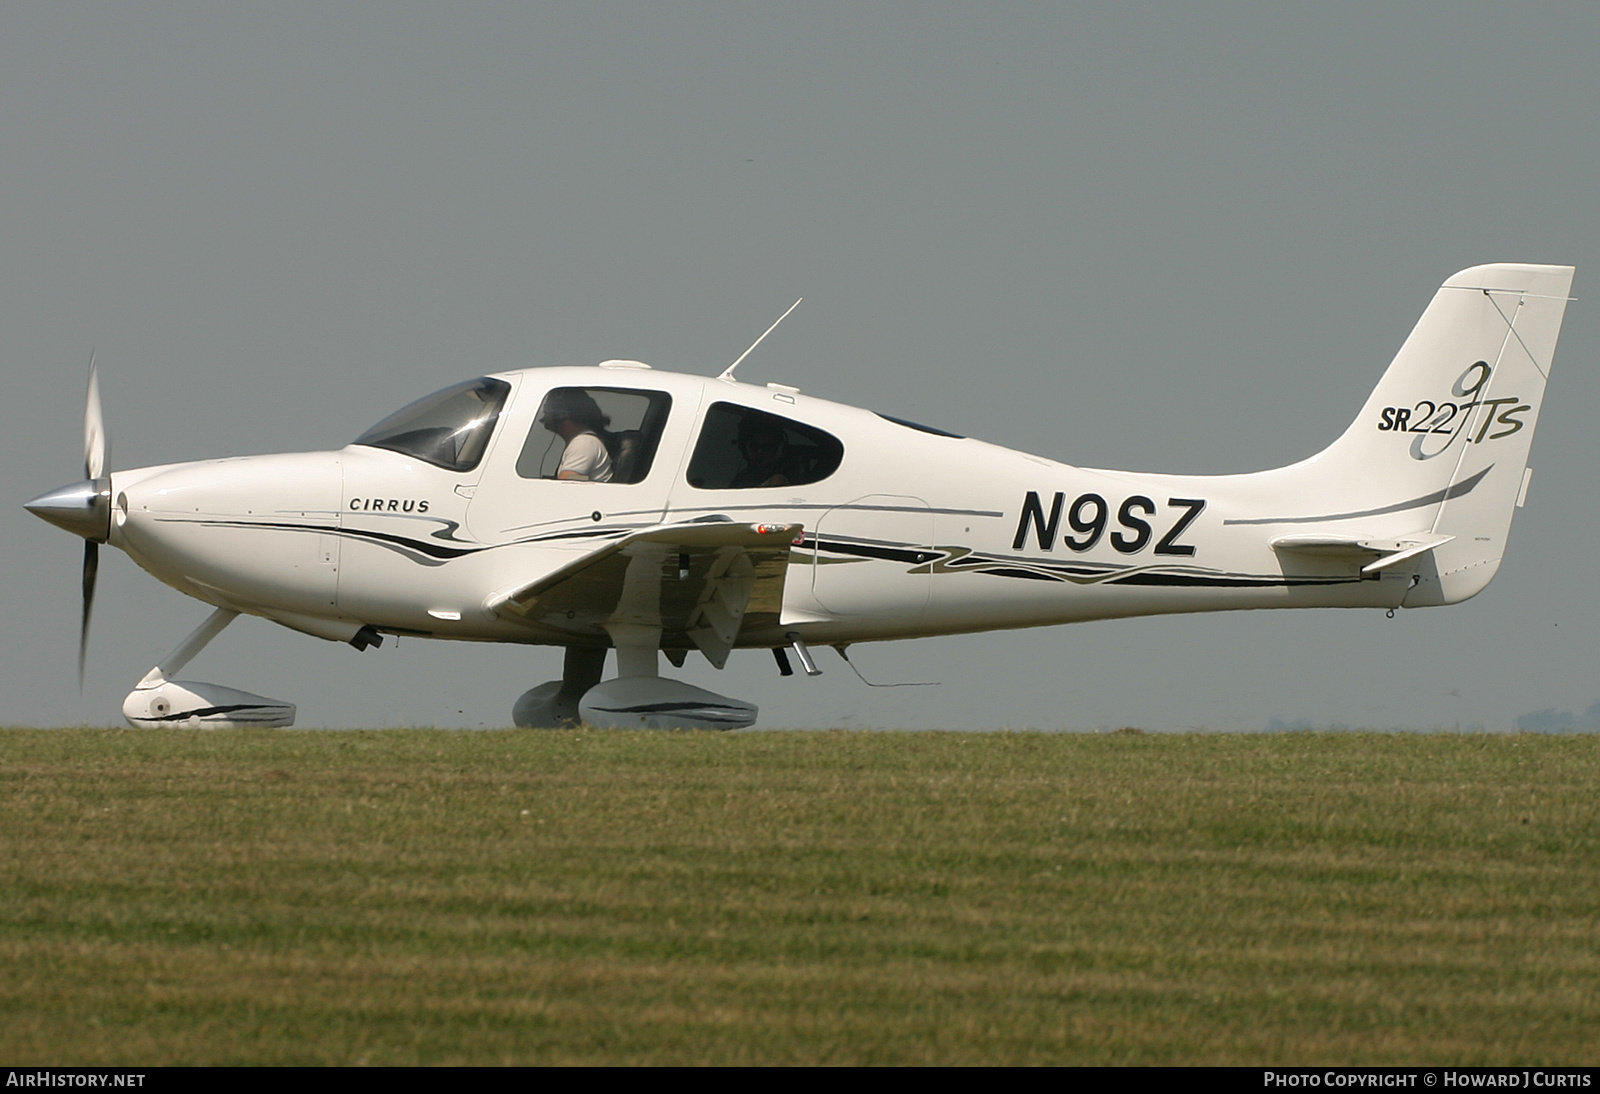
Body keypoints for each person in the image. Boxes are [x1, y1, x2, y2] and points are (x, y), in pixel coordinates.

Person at [539, 389, 613, 482]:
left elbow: (568, 478)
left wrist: (588, 480)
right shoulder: (582, 441)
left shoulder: (584, 443)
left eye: (550, 409)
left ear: (562, 415)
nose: (546, 414)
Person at [730, 414, 792, 488]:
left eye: (767, 447)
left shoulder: (779, 480)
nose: (760, 451)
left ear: (778, 449)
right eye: (755, 446)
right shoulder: (743, 478)